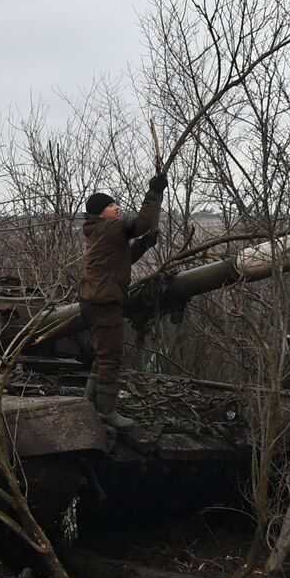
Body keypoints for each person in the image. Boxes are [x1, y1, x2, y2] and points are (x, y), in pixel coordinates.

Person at [79, 173, 167, 429]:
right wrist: (154, 192)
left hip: (93, 302)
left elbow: (120, 263)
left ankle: (90, 406)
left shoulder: (99, 232)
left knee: (101, 355)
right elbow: (143, 222)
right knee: (110, 358)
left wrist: (144, 245)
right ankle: (106, 412)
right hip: (104, 304)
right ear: (99, 213)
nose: (116, 206)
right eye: (110, 205)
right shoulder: (110, 227)